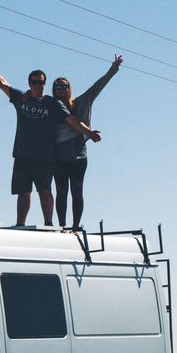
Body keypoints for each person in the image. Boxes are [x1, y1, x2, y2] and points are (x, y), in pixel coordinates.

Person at [0, 51, 101, 226]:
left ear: (45, 84)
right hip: (22, 154)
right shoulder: (22, 98)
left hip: (44, 156)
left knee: (44, 190)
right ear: (29, 83)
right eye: (35, 82)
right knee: (23, 191)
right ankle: (20, 223)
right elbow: (2, 84)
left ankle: (49, 223)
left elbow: (72, 121)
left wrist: (89, 132)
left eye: (41, 82)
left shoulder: (53, 104)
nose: (38, 85)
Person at [52, 55, 122, 228]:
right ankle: (62, 226)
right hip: (58, 157)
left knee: (77, 190)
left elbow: (98, 86)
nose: (61, 89)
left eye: (64, 86)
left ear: (69, 89)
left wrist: (113, 68)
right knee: (61, 192)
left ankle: (75, 226)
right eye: (57, 87)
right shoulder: (50, 106)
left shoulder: (81, 102)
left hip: (78, 156)